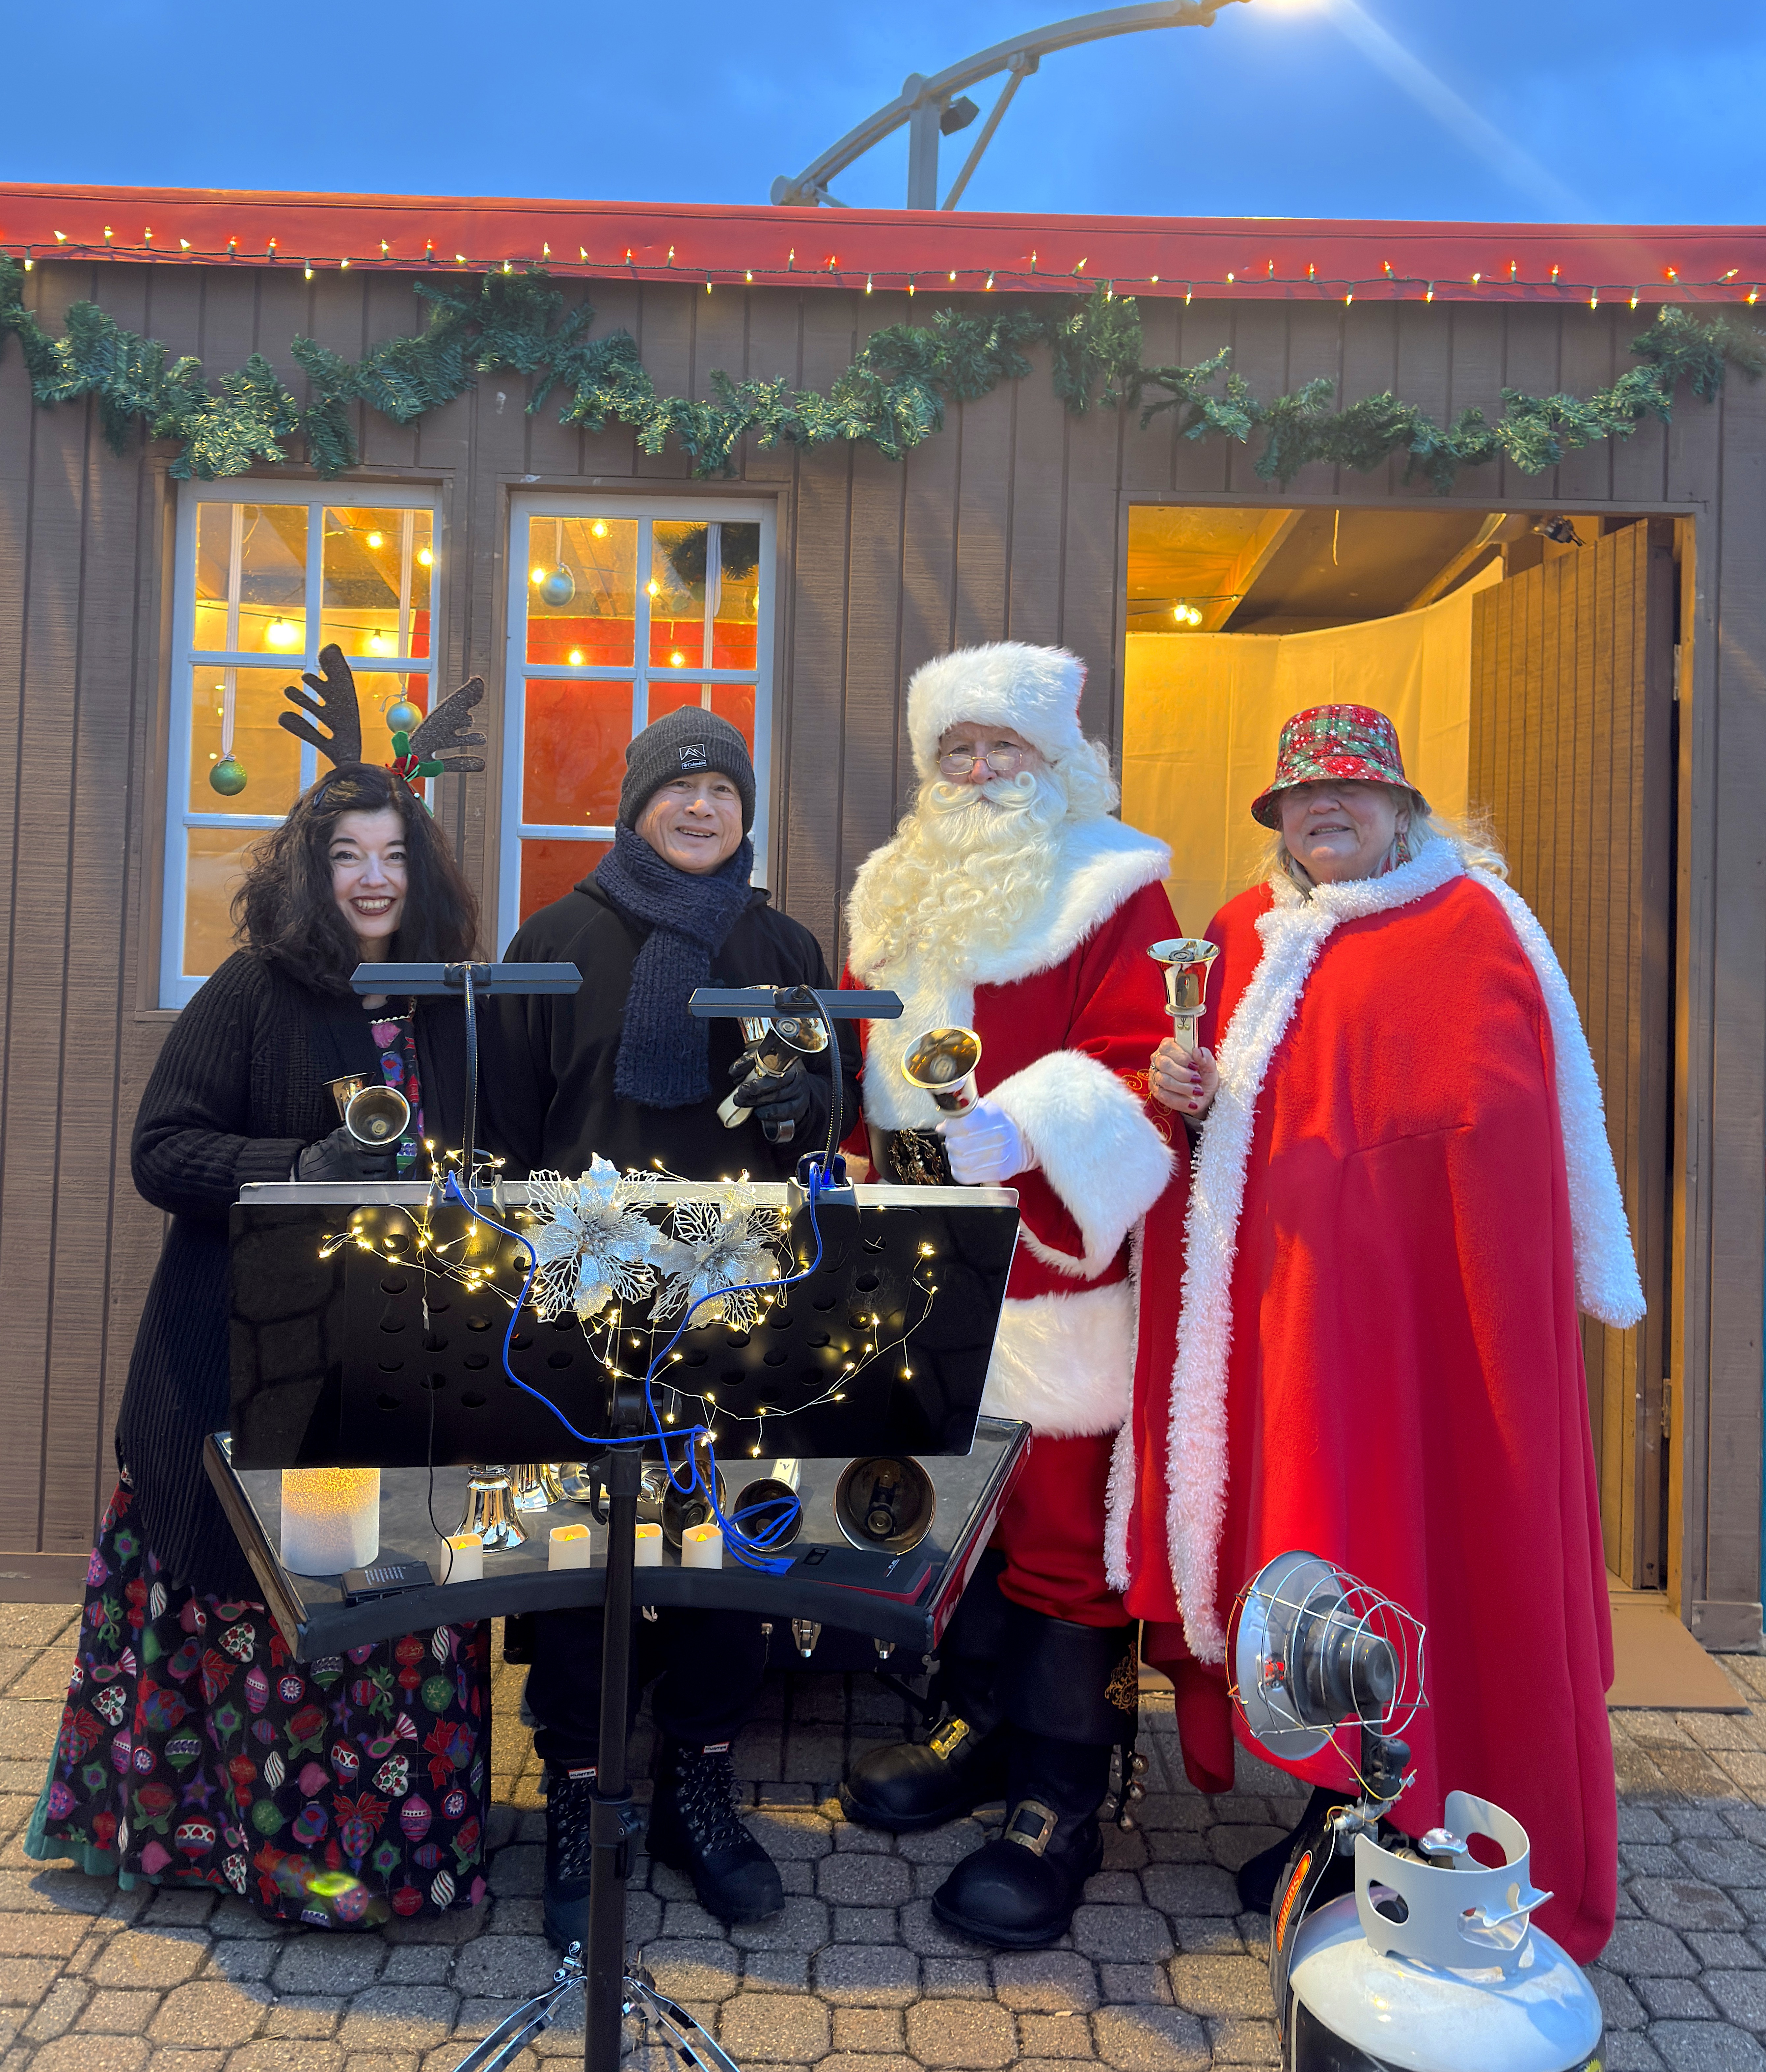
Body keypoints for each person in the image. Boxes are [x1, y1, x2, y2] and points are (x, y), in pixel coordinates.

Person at [1122, 703, 1640, 1963]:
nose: (1324, 814)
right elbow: (1221, 1123)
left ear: (1402, 805)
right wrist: (1173, 1087)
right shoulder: (1244, 932)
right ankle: (1332, 1798)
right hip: (1286, 1329)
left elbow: (1500, 1147)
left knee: (1423, 1539)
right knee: (1312, 1538)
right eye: (1302, 801)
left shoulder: (1478, 929)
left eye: (1349, 793)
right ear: (1279, 822)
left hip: (1428, 1340)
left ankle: (1419, 1805)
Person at [29, 737, 497, 1928]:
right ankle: (246, 1850)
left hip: (399, 1359)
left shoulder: (454, 1002)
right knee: (255, 1598)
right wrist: (298, 1166)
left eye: (394, 855)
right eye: (346, 854)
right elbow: (161, 1152)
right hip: (247, 1361)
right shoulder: (254, 989)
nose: (373, 878)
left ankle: (392, 1851)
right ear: (309, 872)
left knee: (389, 1587)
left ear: (424, 873)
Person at [489, 705, 860, 1948]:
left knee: (731, 1559)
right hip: (580, 1302)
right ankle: (581, 1793)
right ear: (637, 803)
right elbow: (503, 1134)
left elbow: (825, 1125)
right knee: (572, 1558)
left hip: (740, 1301)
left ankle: (698, 1776)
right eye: (678, 786)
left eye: (723, 790)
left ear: (746, 816)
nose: (702, 806)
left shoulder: (783, 941)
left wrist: (808, 1098)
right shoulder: (556, 938)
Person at [837, 641, 1182, 1949]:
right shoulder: (894, 887)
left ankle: (1058, 1799)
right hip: (925, 1255)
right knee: (954, 1512)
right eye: (958, 751)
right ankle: (976, 1731)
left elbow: (1145, 1055)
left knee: (1055, 1530)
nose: (979, 772)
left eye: (1004, 748)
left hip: (1046, 1263)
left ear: (1058, 758)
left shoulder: (1113, 882)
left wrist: (1029, 1126)